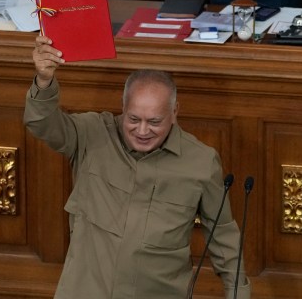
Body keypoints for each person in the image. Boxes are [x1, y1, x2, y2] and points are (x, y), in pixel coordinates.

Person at [25, 36, 251, 299]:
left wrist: (238, 294)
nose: (142, 131)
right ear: (123, 107)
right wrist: (44, 81)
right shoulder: (92, 134)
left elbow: (223, 235)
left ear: (175, 112)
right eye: (133, 119)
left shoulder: (201, 162)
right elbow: (41, 124)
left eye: (154, 121)